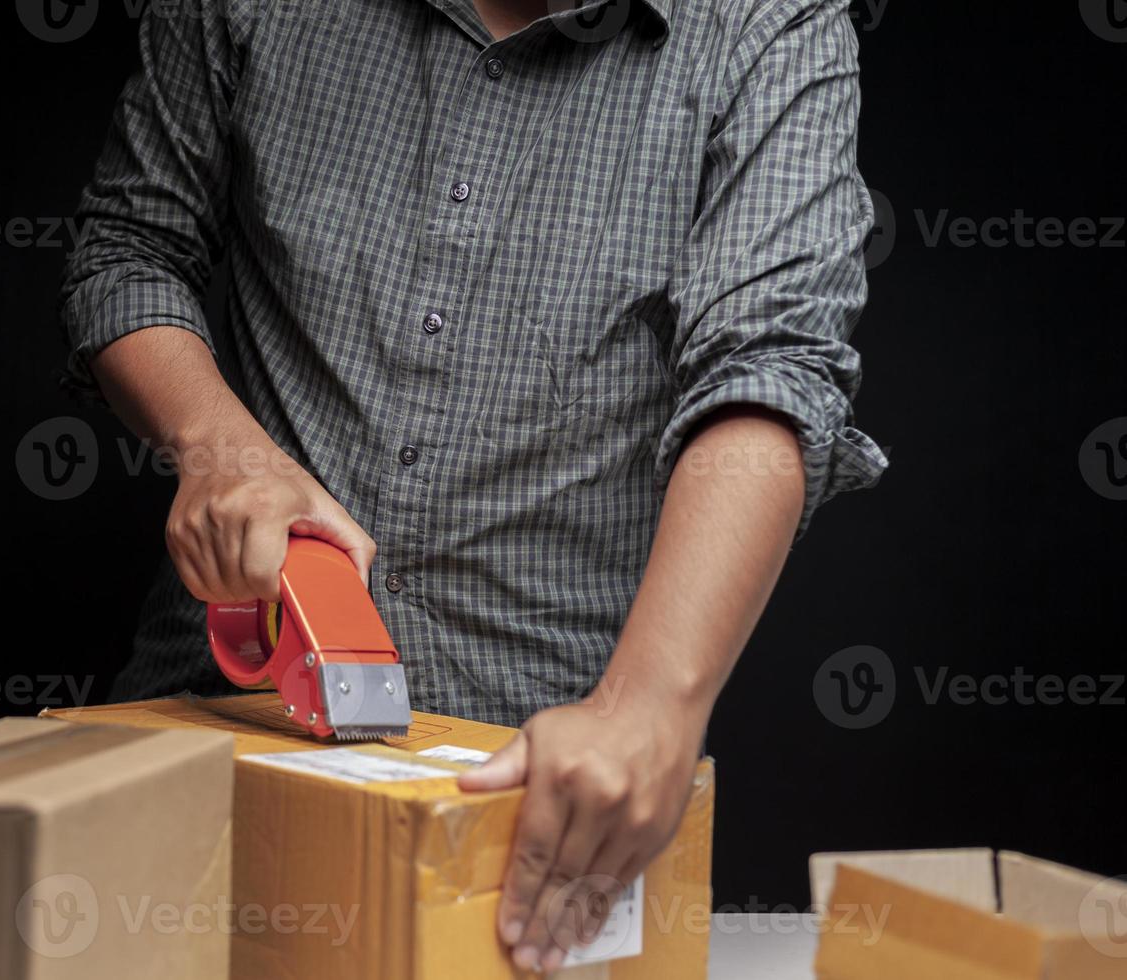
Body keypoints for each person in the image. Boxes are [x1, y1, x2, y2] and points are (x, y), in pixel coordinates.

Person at [59, 0, 886, 969]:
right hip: (215, 723)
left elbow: (770, 369)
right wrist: (220, 446)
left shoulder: (770, 24)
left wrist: (652, 701)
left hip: (529, 802)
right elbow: (128, 247)